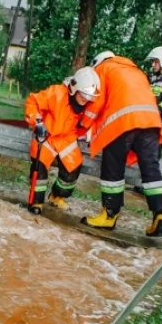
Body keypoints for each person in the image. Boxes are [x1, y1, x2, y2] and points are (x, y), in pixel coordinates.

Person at [80, 51, 162, 236]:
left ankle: (109, 215)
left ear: (98, 62)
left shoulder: (104, 69)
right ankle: (158, 215)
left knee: (113, 167)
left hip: (123, 123)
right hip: (151, 122)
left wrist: (82, 126)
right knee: (151, 167)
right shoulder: (136, 71)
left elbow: (96, 103)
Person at [24, 66, 100, 214]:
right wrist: (38, 122)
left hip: (66, 138)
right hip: (47, 135)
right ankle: (36, 202)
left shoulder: (87, 103)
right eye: (83, 95)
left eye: (89, 97)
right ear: (74, 88)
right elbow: (33, 101)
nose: (85, 100)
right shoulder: (56, 93)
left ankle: (56, 196)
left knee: (72, 170)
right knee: (39, 169)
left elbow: (89, 122)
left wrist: (89, 133)